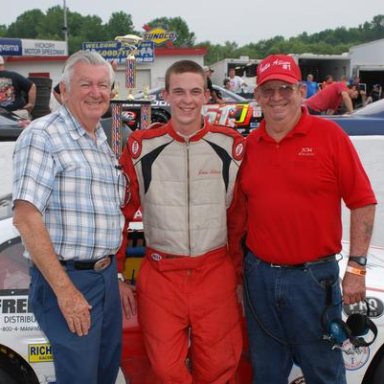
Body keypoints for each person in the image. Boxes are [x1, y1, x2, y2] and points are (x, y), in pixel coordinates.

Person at [232, 54, 376, 384]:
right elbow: (238, 217)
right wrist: (239, 276)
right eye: (268, 90)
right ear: (257, 97)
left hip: (314, 281)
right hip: (259, 278)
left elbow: (363, 202)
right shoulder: (248, 146)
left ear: (300, 91)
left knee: (323, 373)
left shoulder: (330, 137)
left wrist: (356, 268)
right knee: (266, 373)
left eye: (285, 88)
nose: (277, 97)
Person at [117, 59, 244, 383]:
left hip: (214, 272)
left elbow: (239, 218)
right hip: (161, 274)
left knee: (219, 368)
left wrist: (239, 273)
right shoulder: (140, 148)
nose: (187, 100)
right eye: (179, 92)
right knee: (164, 369)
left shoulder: (232, 146)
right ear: (166, 95)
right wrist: (118, 273)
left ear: (206, 96)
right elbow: (119, 213)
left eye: (195, 92)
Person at [12, 50, 136, 384]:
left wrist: (117, 277)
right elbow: (26, 217)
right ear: (64, 91)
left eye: (103, 85)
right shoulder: (43, 136)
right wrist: (66, 292)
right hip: (68, 281)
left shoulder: (100, 140)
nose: (96, 92)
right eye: (85, 84)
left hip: (105, 278)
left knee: (104, 375)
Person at [0, 55, 36, 120]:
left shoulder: (14, 75)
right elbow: (32, 86)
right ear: (3, 63)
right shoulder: (14, 75)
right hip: (18, 113)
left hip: (6, 117)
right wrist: (31, 104)